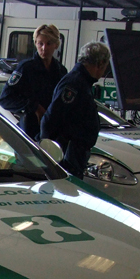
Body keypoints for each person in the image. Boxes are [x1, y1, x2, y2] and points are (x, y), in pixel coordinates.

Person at [38, 40, 112, 177]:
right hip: (68, 158)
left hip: (74, 155)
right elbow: (51, 119)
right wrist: (51, 155)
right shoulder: (74, 83)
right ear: (100, 64)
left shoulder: (82, 82)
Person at [0, 24, 67, 139]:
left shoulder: (60, 70)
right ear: (35, 43)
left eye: (48, 43)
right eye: (40, 43)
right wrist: (34, 107)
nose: (44, 48)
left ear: (56, 45)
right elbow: (6, 99)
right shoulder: (26, 68)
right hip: (29, 132)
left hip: (53, 133)